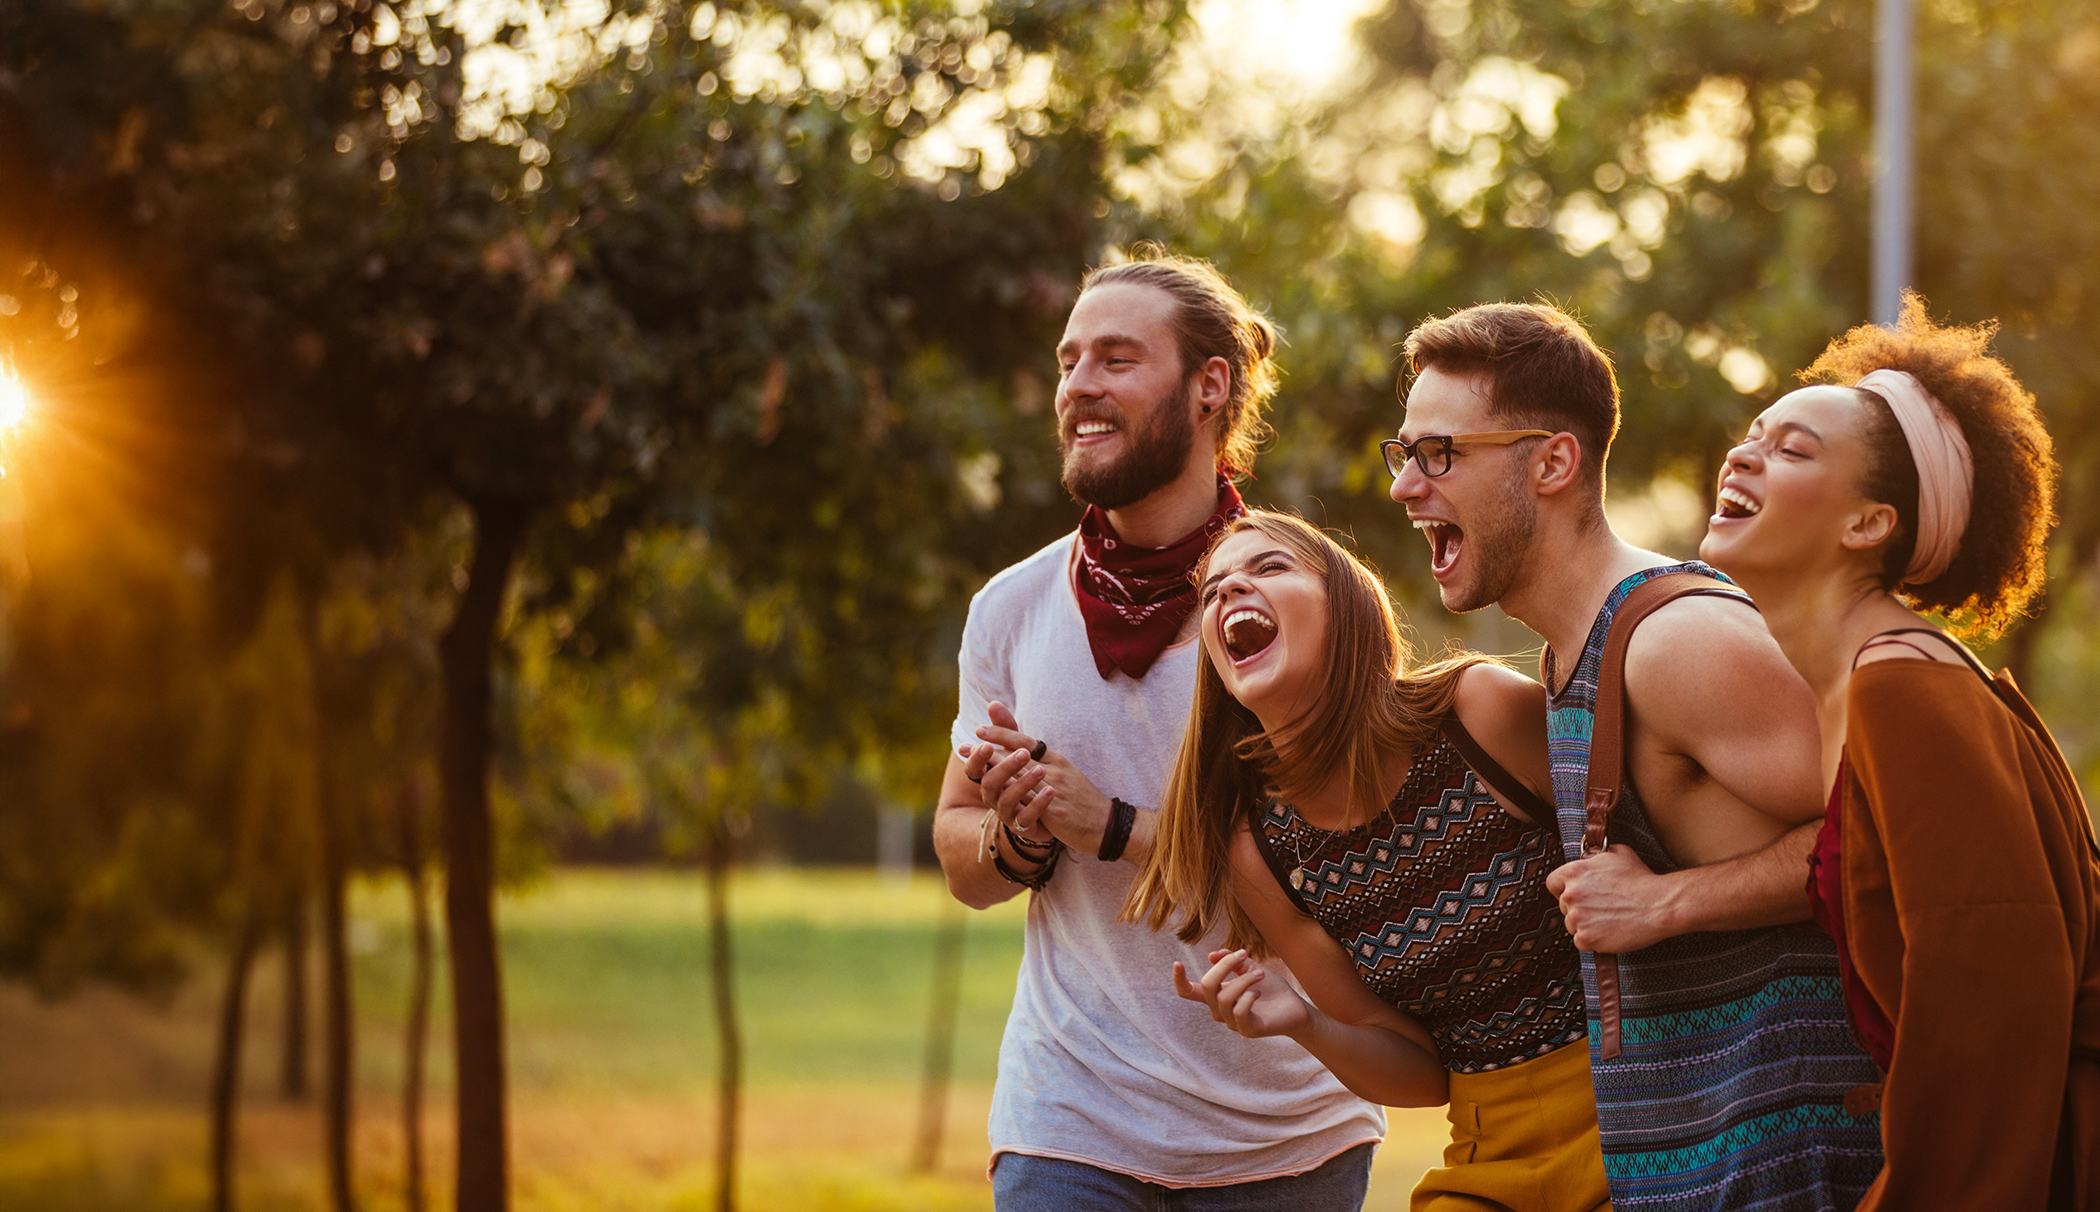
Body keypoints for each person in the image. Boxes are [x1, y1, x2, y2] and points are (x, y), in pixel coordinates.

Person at [1387, 302, 1883, 1210]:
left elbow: (1886, 834)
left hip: (1797, 1174)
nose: (1405, 485)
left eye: (1440, 452)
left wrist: (1667, 902)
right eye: (1406, 452)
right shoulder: (1572, 652)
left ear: (1552, 462)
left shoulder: (1675, 640)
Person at [934, 251, 1384, 1210]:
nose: (1079, 388)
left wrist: (1111, 825)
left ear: (1209, 387)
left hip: (1289, 1132)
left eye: (1116, 359)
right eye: (1068, 363)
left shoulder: (1301, 602)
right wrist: (1013, 837)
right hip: (1070, 1118)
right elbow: (959, 853)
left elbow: (1339, 866)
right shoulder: (1009, 609)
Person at [1698, 294, 2100, 1209]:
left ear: (1868, 525)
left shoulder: (1903, 688)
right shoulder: (1862, 684)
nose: (1745, 453)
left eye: (1793, 449)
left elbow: (1995, 998)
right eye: (1755, 432)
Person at [1123, 509, 1608, 1211]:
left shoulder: (1479, 714)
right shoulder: (1259, 850)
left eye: (1268, 568)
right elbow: (1421, 1076)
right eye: (1213, 590)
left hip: (1643, 1111)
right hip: (1491, 1154)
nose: (1228, 593)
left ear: (1347, 608)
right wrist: (1303, 1022)